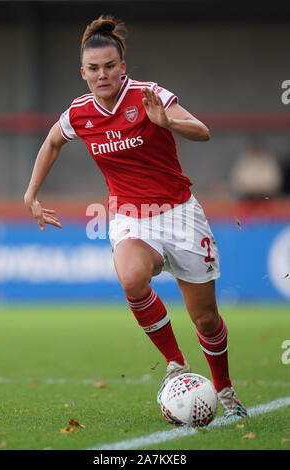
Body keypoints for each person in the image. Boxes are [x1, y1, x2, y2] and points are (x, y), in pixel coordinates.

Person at [24, 15, 247, 421]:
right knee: (131, 278)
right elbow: (53, 141)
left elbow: (203, 131)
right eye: (93, 69)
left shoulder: (149, 95)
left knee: (206, 318)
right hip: (131, 216)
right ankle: (176, 363)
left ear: (122, 66)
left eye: (110, 66)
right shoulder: (79, 112)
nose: (102, 74)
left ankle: (226, 392)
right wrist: (31, 192)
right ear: (84, 73)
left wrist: (168, 121)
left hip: (181, 215)